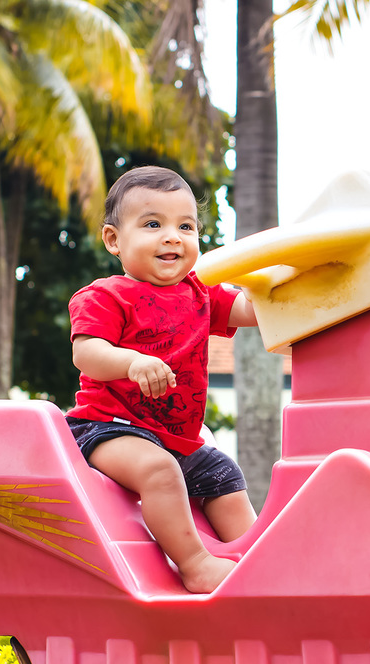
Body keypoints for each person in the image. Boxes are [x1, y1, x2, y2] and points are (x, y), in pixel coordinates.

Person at [67, 166, 257, 593]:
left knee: (224, 474)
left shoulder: (200, 292)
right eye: (153, 224)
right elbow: (88, 353)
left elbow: (252, 310)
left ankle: (259, 555)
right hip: (107, 428)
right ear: (114, 240)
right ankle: (194, 565)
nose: (173, 236)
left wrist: (276, 284)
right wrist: (131, 362)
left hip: (176, 436)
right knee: (158, 469)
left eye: (185, 226)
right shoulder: (104, 295)